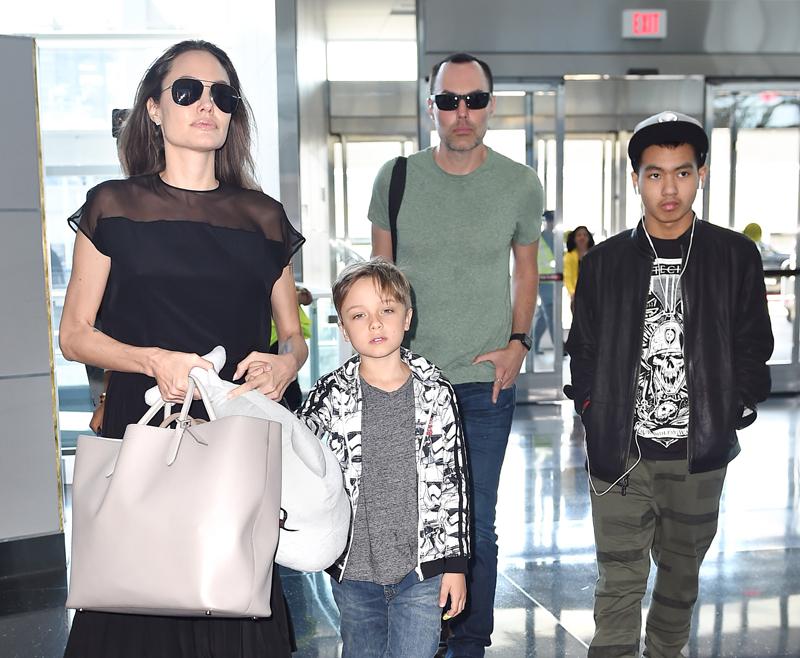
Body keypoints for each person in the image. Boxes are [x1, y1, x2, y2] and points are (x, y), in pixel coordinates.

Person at [59, 40, 307, 658]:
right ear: (153, 109)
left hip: (237, 432)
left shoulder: (263, 218)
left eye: (222, 95)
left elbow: (293, 335)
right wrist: (153, 359)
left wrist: (286, 362)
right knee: (135, 599)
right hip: (144, 427)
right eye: (188, 91)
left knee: (236, 592)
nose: (207, 106)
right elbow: (74, 336)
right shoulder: (113, 208)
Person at [565, 110, 773, 657]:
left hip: (698, 454)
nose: (669, 188)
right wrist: (593, 408)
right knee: (618, 586)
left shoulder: (733, 256)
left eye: (682, 172)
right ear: (635, 179)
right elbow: (581, 348)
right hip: (620, 452)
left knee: (679, 584)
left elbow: (756, 345)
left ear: (701, 173)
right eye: (655, 174)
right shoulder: (605, 262)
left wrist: (733, 406)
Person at [369, 52, 543, 657]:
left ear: (491, 105)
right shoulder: (396, 178)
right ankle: (421, 636)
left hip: (481, 380)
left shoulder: (519, 183)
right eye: (449, 101)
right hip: (405, 380)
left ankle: (469, 641)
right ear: (432, 108)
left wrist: (519, 344)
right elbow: (379, 282)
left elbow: (527, 273)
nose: (461, 113)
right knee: (409, 517)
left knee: (476, 522)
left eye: (473, 100)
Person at [298, 258, 470, 658]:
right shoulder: (329, 395)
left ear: (407, 318)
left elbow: (454, 484)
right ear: (343, 328)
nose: (375, 324)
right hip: (353, 567)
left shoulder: (436, 392)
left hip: (422, 569)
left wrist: (456, 565)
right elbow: (299, 457)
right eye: (359, 315)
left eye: (386, 311)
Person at [532, 210, 556, 354]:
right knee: (551, 313)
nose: (552, 223)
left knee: (543, 316)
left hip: (554, 281)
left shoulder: (557, 237)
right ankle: (559, 347)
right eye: (550, 220)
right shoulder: (539, 239)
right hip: (543, 281)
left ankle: (532, 347)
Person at [563, 225, 595, 304]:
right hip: (576, 295)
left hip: (593, 294)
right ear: (574, 238)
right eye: (579, 235)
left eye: (585, 235)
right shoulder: (569, 256)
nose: (582, 237)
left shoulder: (594, 255)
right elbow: (568, 276)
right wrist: (572, 292)